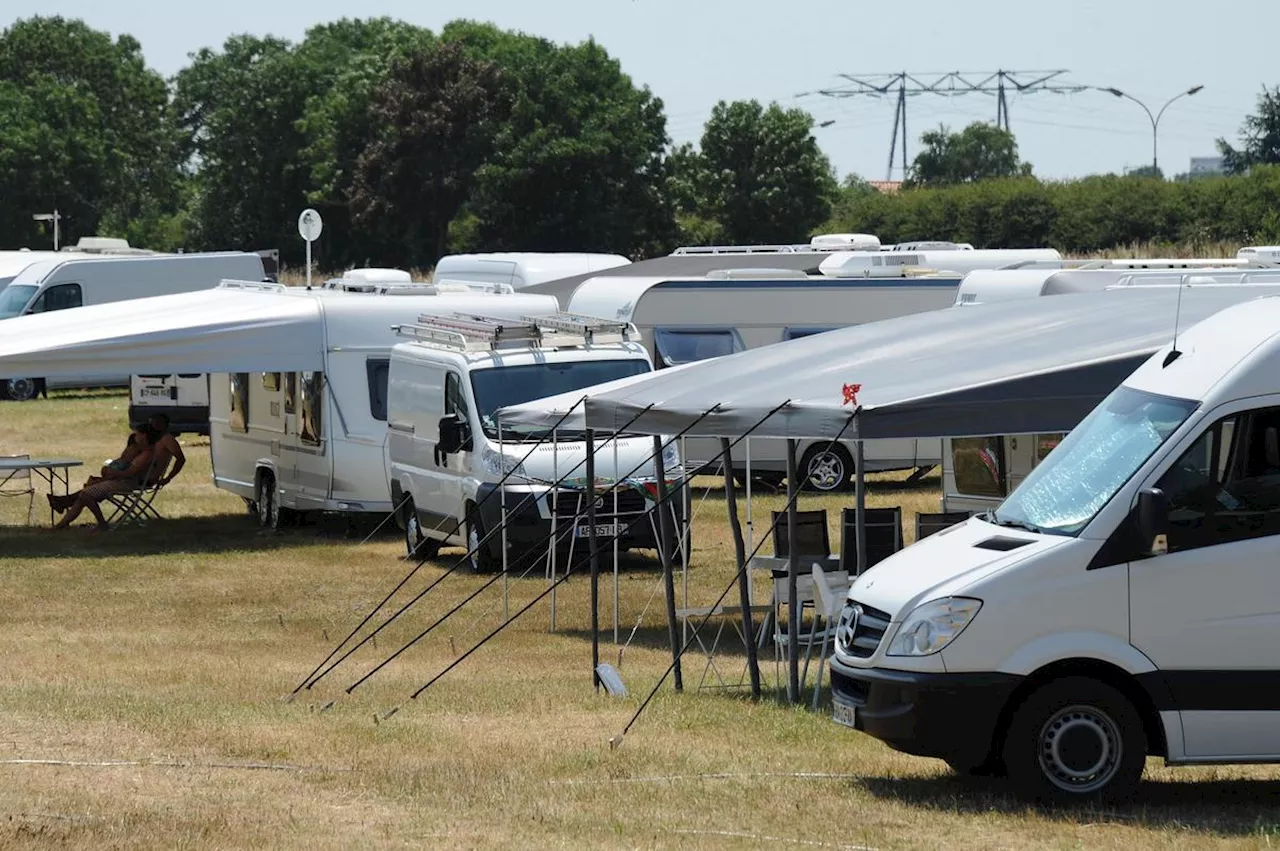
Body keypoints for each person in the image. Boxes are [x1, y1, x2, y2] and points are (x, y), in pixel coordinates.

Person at [50, 424, 158, 531]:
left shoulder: (146, 454)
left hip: (126, 483)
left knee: (86, 494)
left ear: (144, 436)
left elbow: (128, 473)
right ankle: (60, 525)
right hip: (120, 480)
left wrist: (110, 472)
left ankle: (102, 524)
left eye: (138, 434)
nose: (135, 436)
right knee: (83, 496)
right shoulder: (141, 451)